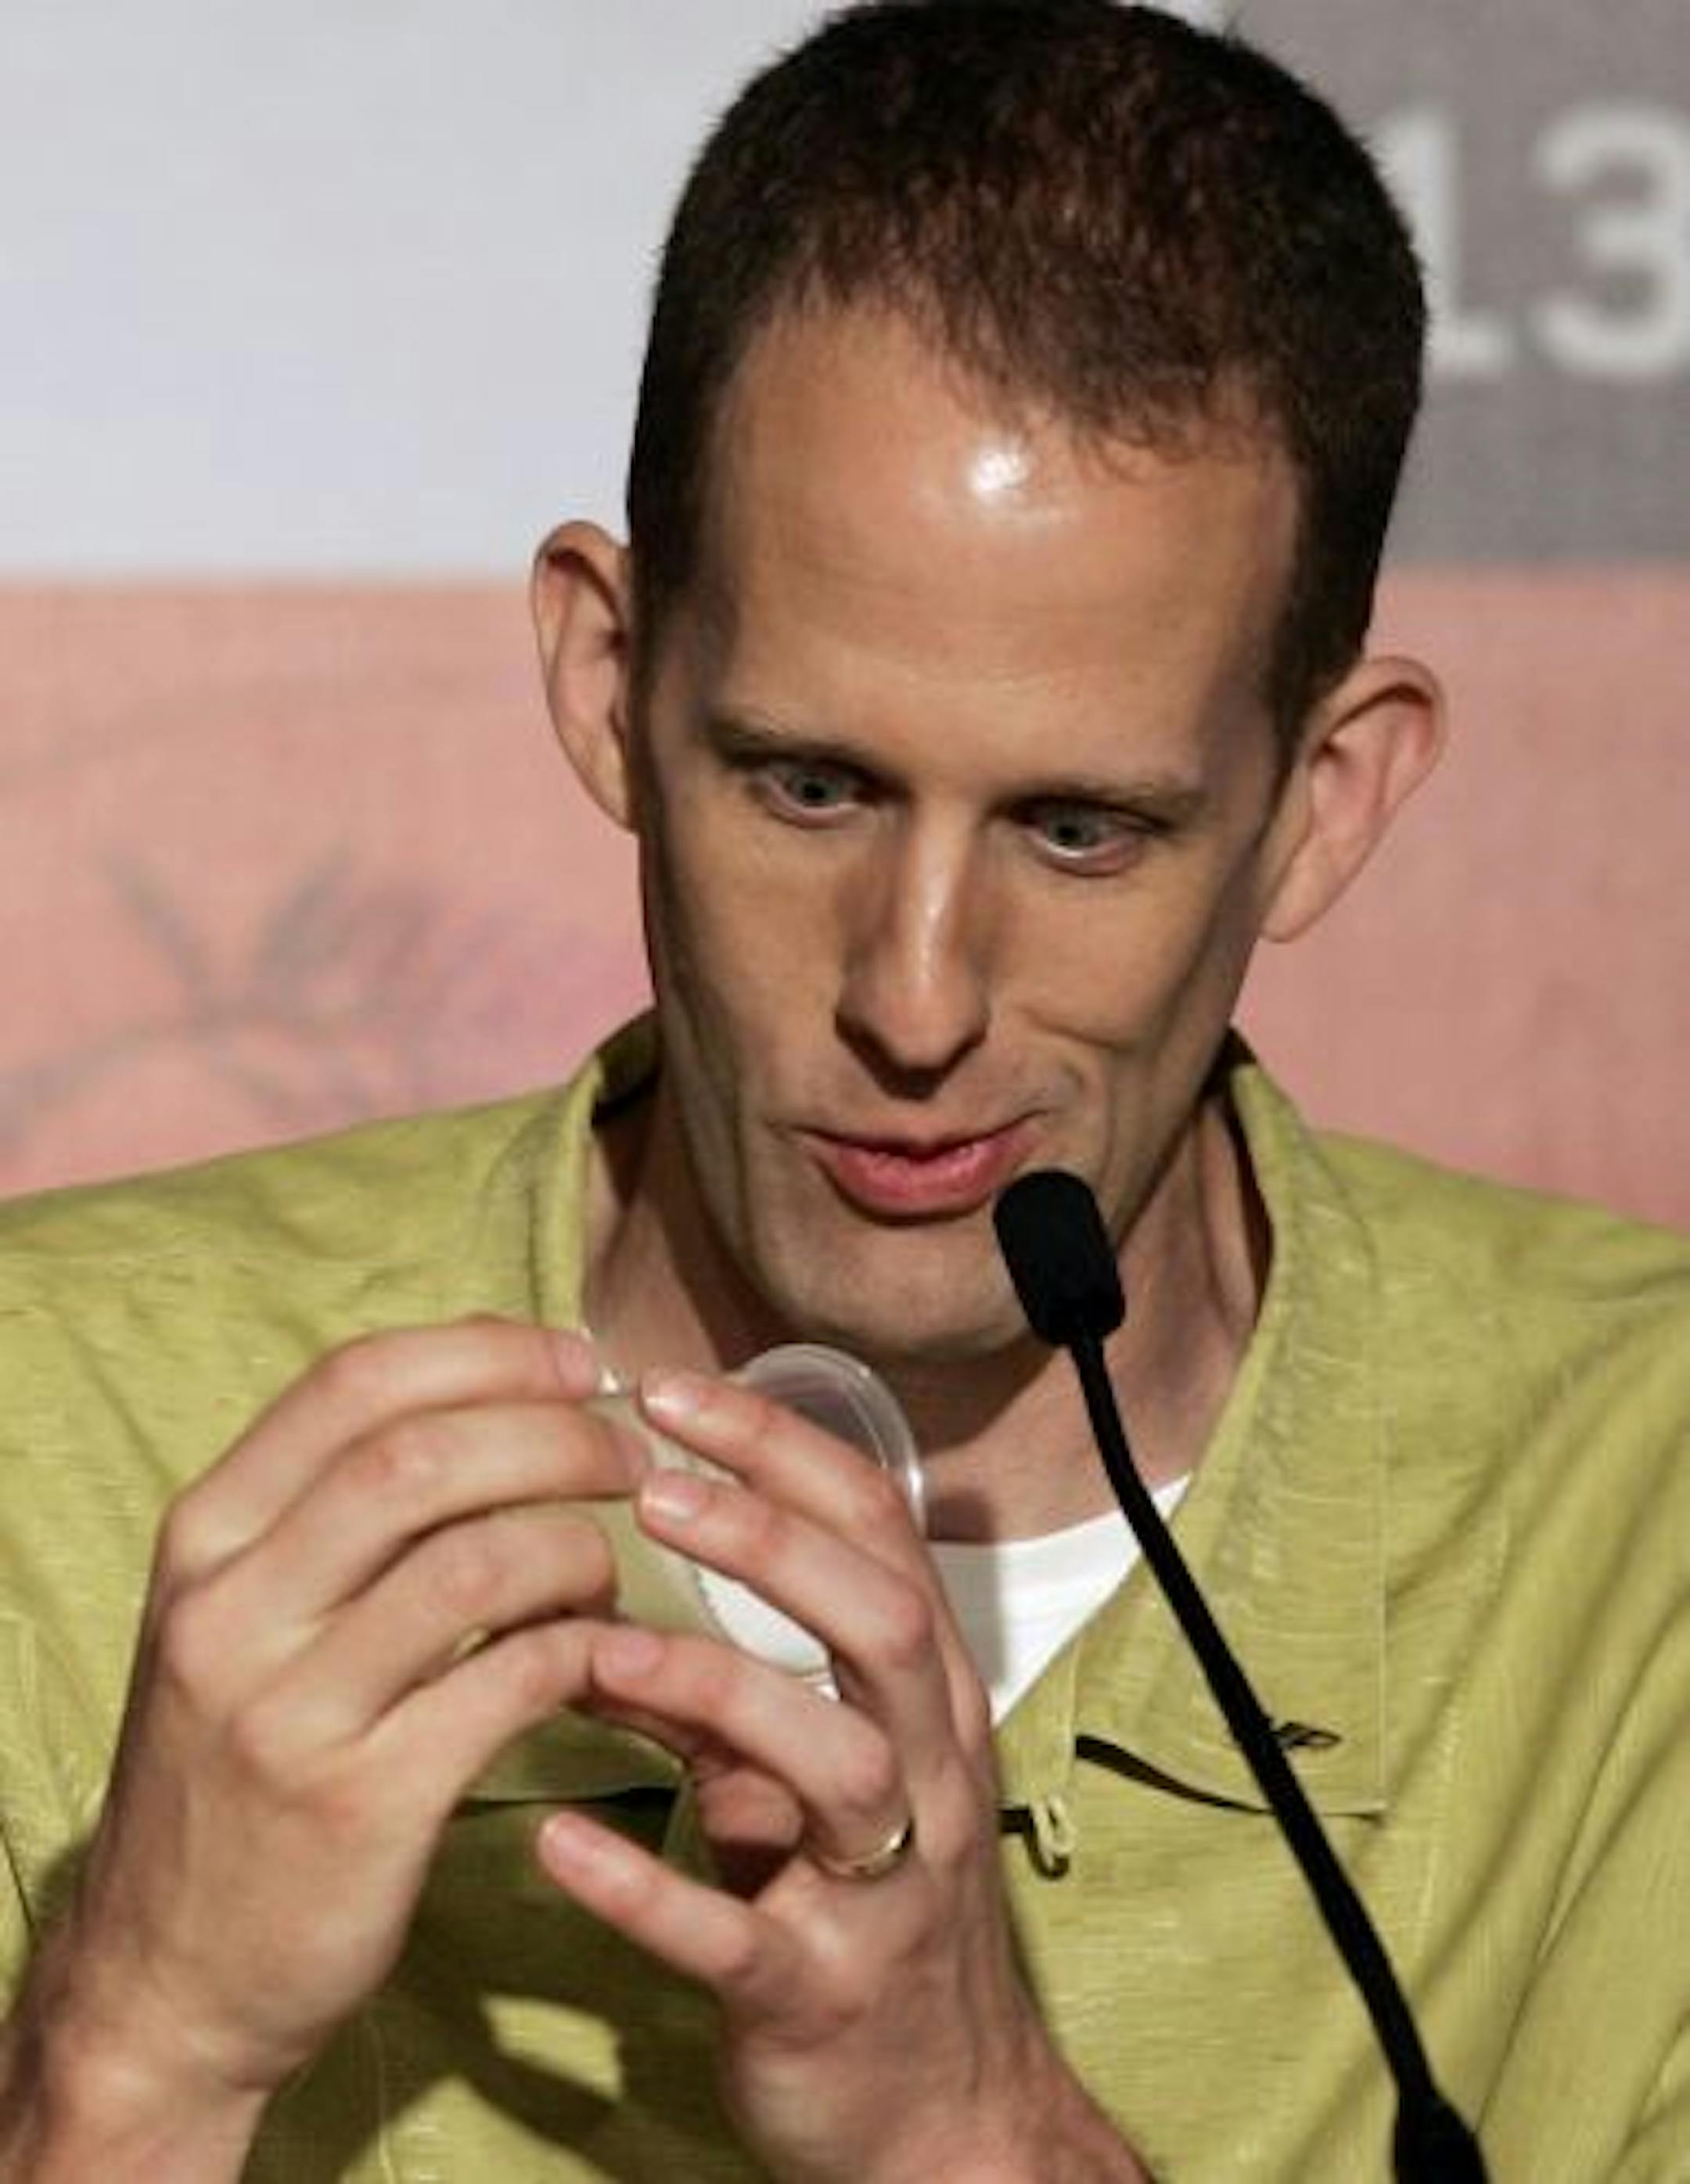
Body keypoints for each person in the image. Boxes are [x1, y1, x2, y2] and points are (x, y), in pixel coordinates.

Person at [1, 3, 1684, 2178]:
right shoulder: (44, 1434)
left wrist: (985, 2136)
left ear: (1322, 806)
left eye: (1083, 831)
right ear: (612, 687)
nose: (915, 1000)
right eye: (807, 785)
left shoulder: (1642, 1519)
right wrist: (126, 2065)